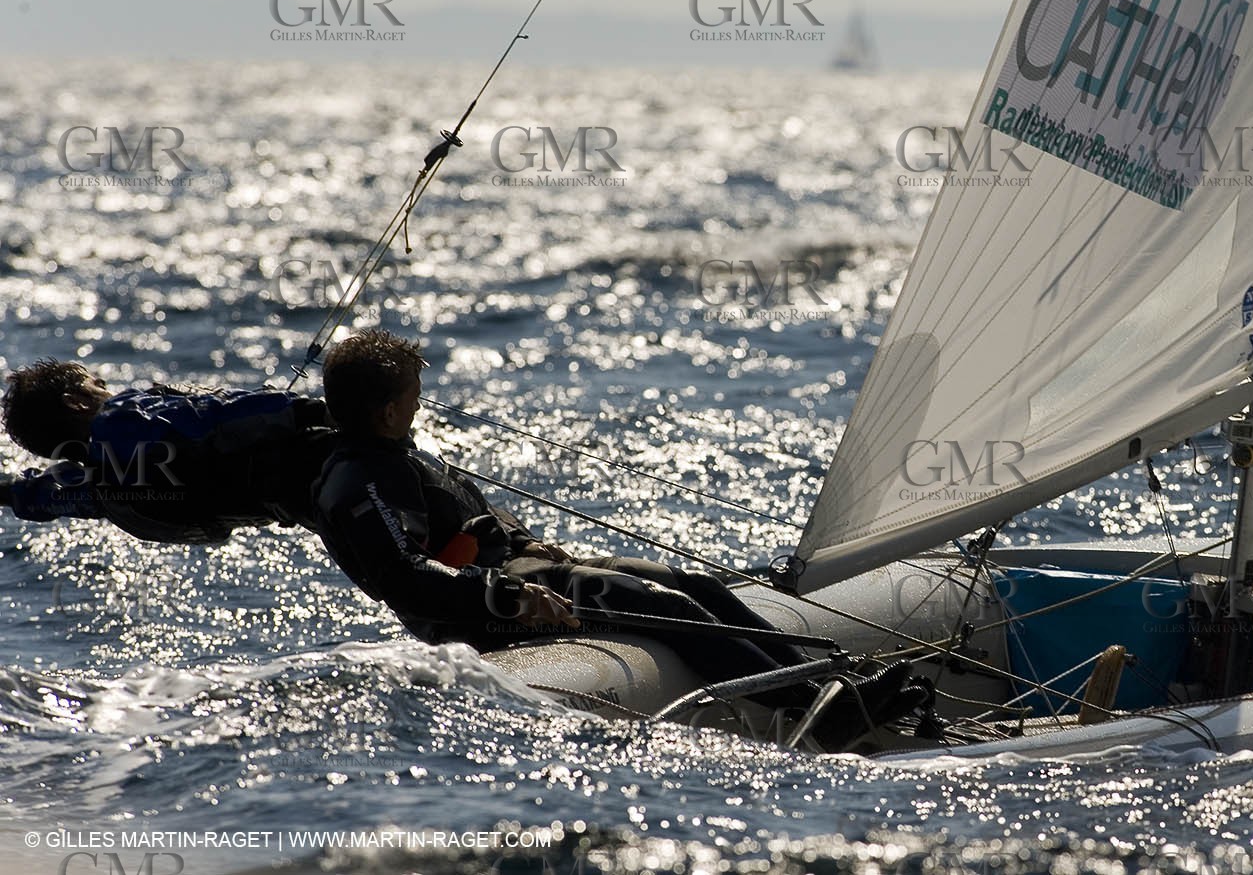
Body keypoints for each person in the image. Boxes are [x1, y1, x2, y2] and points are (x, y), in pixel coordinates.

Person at [312, 328, 927, 746]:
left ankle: (827, 694)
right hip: (489, 607)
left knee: (695, 584)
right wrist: (504, 594)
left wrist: (522, 542)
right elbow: (409, 579)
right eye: (414, 397)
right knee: (667, 611)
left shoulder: (391, 452)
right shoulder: (363, 480)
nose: (421, 405)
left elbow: (467, 518)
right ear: (388, 410)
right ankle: (822, 714)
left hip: (522, 571)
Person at [0, 359, 336, 543]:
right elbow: (216, 416)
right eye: (97, 385)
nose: (107, 389)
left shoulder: (98, 490)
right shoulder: (120, 418)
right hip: (313, 462)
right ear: (77, 402)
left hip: (301, 505)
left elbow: (34, 492)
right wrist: (311, 410)